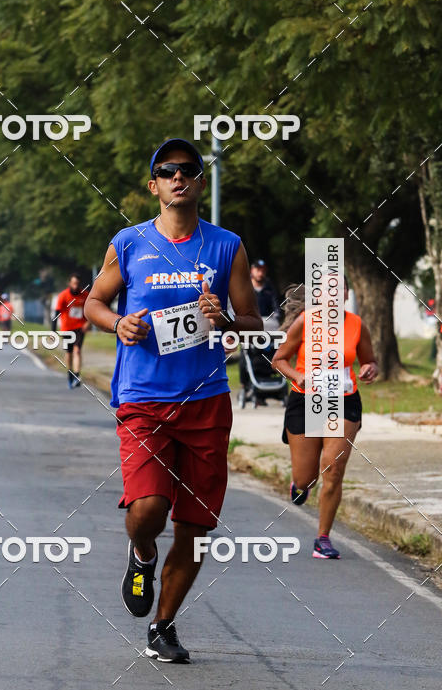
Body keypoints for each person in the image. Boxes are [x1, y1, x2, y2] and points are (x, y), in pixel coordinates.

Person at [84, 138, 262, 663]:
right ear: (154, 185)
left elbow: (253, 323)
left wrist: (227, 319)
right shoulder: (130, 242)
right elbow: (92, 301)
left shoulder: (226, 245)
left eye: (187, 169)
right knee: (150, 508)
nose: (177, 177)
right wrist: (120, 322)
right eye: (167, 170)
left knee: (196, 526)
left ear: (199, 182)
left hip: (206, 400)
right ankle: (141, 554)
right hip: (144, 398)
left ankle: (164, 625)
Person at [271, 278, 379, 559]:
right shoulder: (305, 321)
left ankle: (323, 538)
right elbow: (279, 359)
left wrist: (369, 368)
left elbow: (370, 360)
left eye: (339, 289)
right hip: (305, 400)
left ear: (345, 294)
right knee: (306, 479)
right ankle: (300, 485)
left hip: (343, 401)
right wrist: (298, 376)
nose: (334, 294)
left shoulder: (356, 324)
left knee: (333, 468)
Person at [240, 260, 282, 403]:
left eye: (263, 270)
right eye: (258, 270)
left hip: (269, 329)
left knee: (272, 352)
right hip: (249, 328)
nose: (260, 273)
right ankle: (246, 385)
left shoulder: (270, 289)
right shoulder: (245, 288)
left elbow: (276, 309)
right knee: (245, 354)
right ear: (252, 271)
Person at [55, 274, 90, 389]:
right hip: (67, 328)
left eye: (77, 283)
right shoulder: (63, 296)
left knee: (77, 351)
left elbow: (91, 311)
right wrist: (52, 331)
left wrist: (87, 323)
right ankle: (70, 373)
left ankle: (77, 375)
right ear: (69, 283)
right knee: (69, 352)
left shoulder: (85, 295)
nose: (75, 286)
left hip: (80, 327)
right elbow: (57, 313)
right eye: (73, 283)